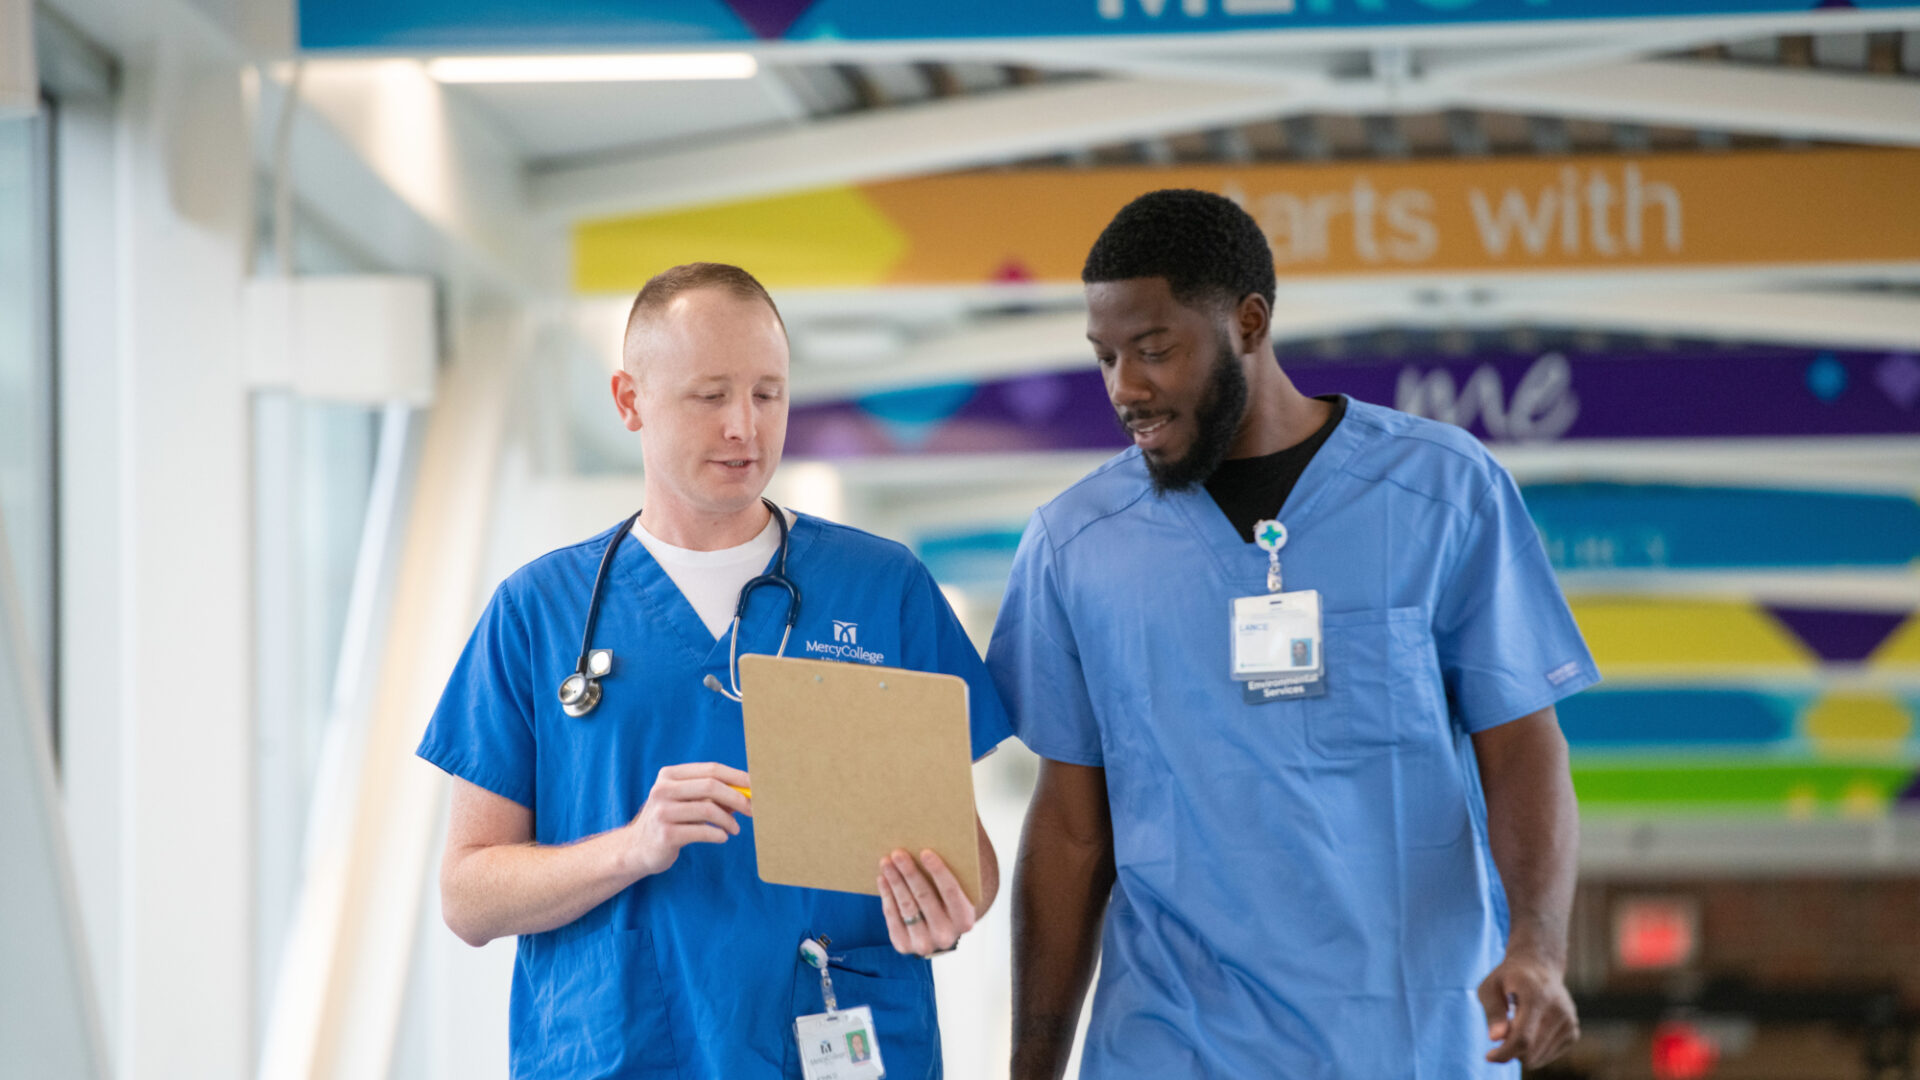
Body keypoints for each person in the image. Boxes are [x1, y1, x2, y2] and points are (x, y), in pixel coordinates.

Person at [987, 190, 1598, 1078]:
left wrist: (1539, 948)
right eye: (1106, 356)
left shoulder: (1441, 491)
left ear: (1248, 321)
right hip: (1173, 1041)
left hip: (1411, 1040)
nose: (1126, 387)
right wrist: (1030, 1067)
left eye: (1154, 350)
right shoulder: (1077, 545)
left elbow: (1521, 746)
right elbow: (1072, 832)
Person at [420, 262, 1010, 1079]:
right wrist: (629, 848)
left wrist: (948, 904)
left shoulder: (882, 589)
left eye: (769, 394)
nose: (745, 426)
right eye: (710, 396)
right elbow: (469, 896)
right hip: (622, 1051)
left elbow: (972, 866)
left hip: (837, 1042)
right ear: (629, 401)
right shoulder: (537, 611)